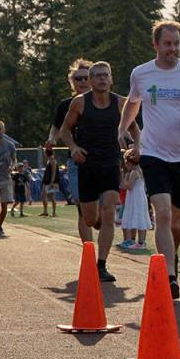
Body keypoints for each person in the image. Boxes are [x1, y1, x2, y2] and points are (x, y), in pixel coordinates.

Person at [121, 21, 180, 299]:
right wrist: (123, 127)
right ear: (156, 45)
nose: (173, 49)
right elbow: (133, 102)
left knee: (176, 222)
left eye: (177, 44)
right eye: (168, 44)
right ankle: (170, 275)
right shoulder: (142, 73)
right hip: (153, 154)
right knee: (161, 212)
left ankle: (172, 257)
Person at [61, 61, 134, 282]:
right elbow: (65, 130)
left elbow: (135, 129)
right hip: (87, 165)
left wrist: (136, 147)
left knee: (110, 210)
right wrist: (73, 147)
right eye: (97, 75)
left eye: (106, 75)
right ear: (91, 81)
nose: (102, 79)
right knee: (92, 220)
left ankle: (101, 265)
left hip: (111, 163)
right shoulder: (80, 103)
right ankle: (97, 219)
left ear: (111, 79)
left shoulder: (121, 103)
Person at [50, 60, 94, 243]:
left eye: (86, 77)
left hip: (102, 161)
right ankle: (89, 252)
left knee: (101, 211)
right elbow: (56, 127)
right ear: (72, 82)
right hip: (77, 162)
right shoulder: (65, 105)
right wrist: (51, 139)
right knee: (82, 209)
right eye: (78, 78)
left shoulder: (103, 102)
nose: (82, 81)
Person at [118, 154, 150, 251]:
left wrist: (123, 179)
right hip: (139, 196)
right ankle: (140, 241)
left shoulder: (134, 172)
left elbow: (129, 186)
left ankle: (136, 241)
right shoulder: (140, 171)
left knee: (135, 216)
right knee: (140, 217)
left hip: (135, 197)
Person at [39, 144, 60, 217]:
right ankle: (45, 211)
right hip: (46, 181)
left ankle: (54, 212)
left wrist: (52, 182)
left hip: (51, 181)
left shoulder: (53, 161)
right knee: (43, 195)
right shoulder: (49, 161)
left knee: (52, 197)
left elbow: (54, 172)